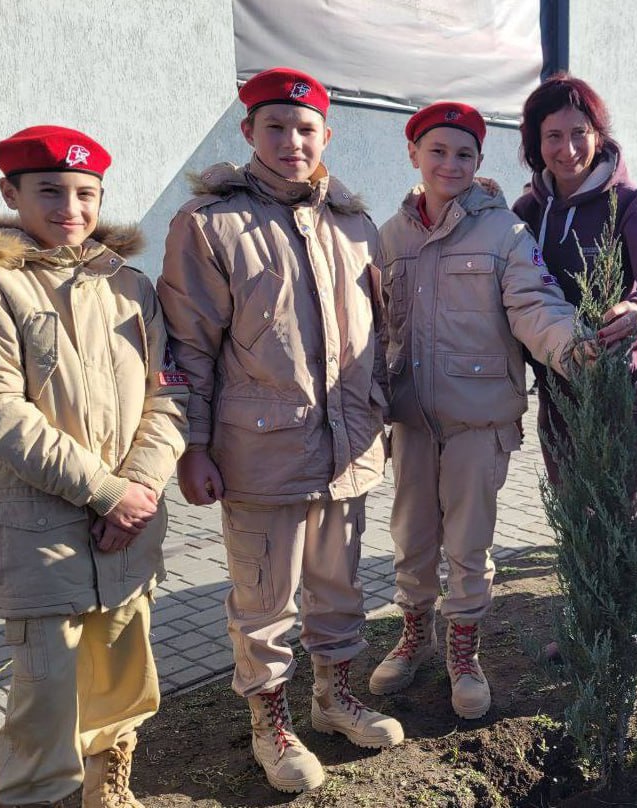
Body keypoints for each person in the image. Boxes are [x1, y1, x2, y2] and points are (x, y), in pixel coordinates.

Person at [157, 67, 402, 795]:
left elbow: (379, 336)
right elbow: (189, 346)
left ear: (326, 136)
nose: (292, 141)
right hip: (260, 452)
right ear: (249, 134)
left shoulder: (354, 224)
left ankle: (333, 700)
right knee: (264, 600)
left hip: (348, 451)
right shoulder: (209, 224)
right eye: (276, 127)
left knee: (340, 590)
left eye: (305, 129)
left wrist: (379, 415)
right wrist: (193, 446)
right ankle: (272, 724)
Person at [0, 125, 189, 807]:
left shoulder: (129, 285)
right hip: (43, 531)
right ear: (11, 193)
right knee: (45, 702)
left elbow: (170, 391)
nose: (70, 207)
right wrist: (106, 492)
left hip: (132, 524)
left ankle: (109, 793)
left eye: (86, 192)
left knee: (124, 683)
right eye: (50, 191)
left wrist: (142, 485)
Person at [366, 102, 580, 718]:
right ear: (413, 154)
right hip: (410, 418)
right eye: (437, 151)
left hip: (479, 419)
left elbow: (534, 303)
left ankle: (465, 650)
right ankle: (414, 636)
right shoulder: (391, 235)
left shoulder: (506, 233)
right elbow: (379, 326)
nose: (450, 163)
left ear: (479, 163)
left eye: (465, 154)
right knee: (411, 536)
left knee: (468, 542)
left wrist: (574, 348)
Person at [511, 73, 637, 552]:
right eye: (553, 136)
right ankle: (588, 599)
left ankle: (626, 606)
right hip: (562, 382)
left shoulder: (629, 204)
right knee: (576, 506)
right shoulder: (526, 211)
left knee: (630, 509)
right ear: (535, 143)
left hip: (633, 380)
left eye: (579, 133)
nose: (567, 148)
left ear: (598, 135)